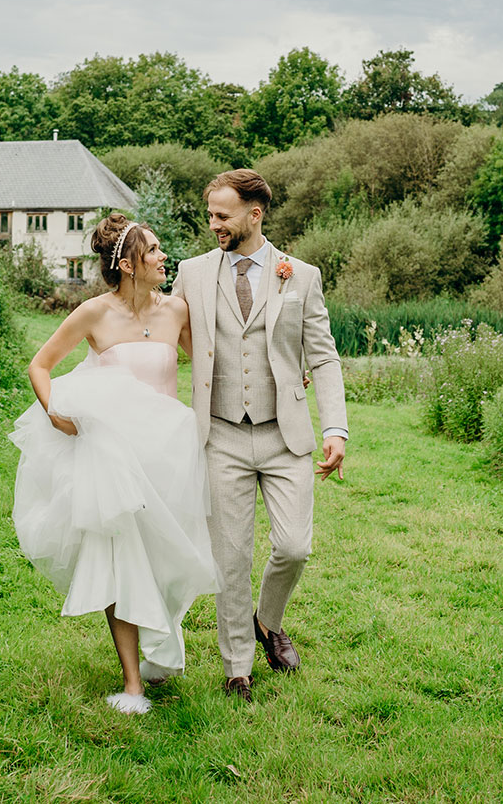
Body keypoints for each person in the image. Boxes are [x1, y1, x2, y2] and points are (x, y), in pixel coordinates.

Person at [9, 214, 220, 715]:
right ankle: (132, 685)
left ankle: (161, 646)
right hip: (113, 456)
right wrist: (55, 414)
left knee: (170, 557)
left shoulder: (177, 311)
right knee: (117, 558)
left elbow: (214, 367)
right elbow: (40, 365)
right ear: (127, 264)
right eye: (153, 251)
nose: (163, 257)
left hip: (169, 450)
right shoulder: (94, 313)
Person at [170, 169, 348, 703]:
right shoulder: (192, 273)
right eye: (210, 216)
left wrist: (335, 426)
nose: (214, 225)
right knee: (230, 558)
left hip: (284, 435)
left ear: (255, 214)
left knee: (293, 547)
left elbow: (322, 354)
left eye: (222, 216)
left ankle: (268, 623)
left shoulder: (302, 275)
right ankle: (237, 667)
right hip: (219, 433)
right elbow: (166, 329)